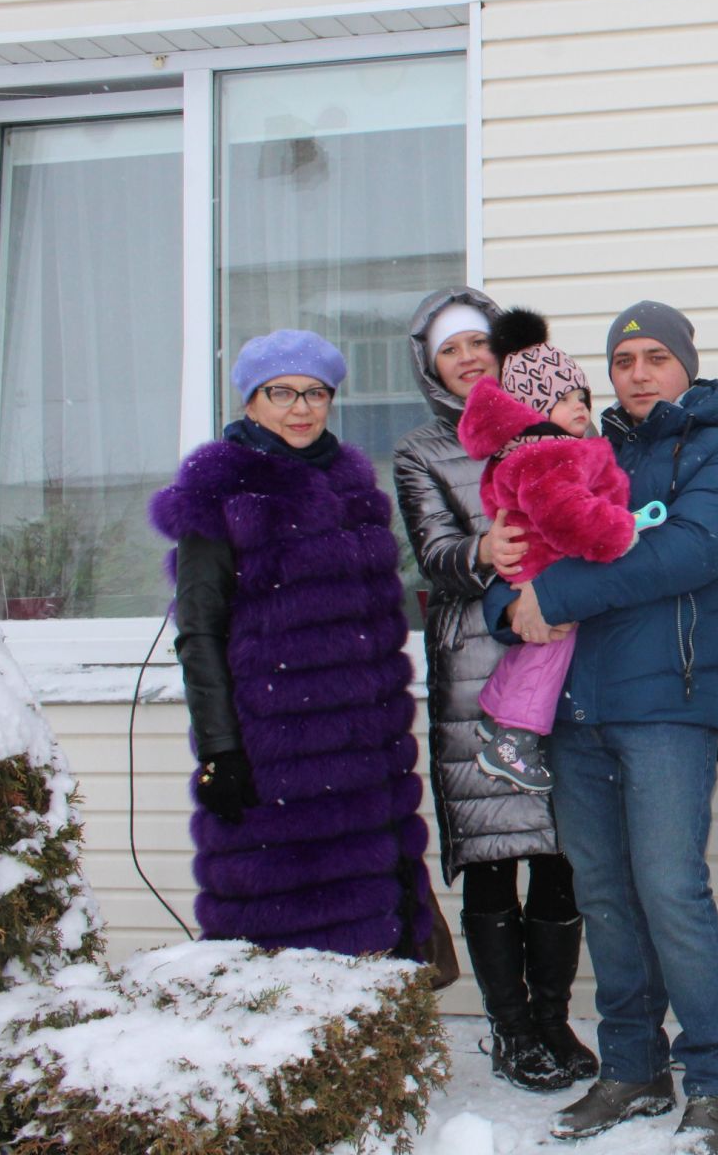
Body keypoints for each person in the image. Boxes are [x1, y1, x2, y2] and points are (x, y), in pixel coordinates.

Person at [487, 301, 718, 1154]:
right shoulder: (583, 451)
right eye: (622, 360)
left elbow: (686, 552)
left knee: (671, 890)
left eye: (654, 357)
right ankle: (633, 1068)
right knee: (604, 894)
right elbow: (527, 551)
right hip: (577, 708)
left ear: (687, 364)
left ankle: (714, 1080)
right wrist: (508, 600)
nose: (638, 372)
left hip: (669, 707)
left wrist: (553, 596)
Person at [151, 329, 435, 962]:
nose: (300, 408)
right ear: (250, 401)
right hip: (275, 758)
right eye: (281, 392)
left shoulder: (353, 484)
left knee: (371, 938)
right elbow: (199, 630)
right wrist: (221, 751)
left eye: (315, 393)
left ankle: (370, 1056)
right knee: (285, 940)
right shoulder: (219, 490)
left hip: (363, 762)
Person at [392, 288, 593, 1093]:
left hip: (556, 665)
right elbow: (432, 552)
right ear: (430, 366)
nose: (469, 358)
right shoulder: (418, 451)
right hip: (474, 673)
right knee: (491, 857)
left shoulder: (555, 424)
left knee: (559, 854)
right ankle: (510, 1032)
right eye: (450, 350)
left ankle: (552, 1019)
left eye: (478, 342)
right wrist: (485, 547)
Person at [456, 308, 663, 795]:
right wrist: (618, 532)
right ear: (532, 408)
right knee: (553, 644)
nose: (580, 409)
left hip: (534, 566)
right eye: (563, 399)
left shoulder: (530, 450)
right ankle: (515, 737)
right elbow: (568, 516)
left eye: (581, 397)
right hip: (547, 567)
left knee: (534, 645)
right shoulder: (550, 455)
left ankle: (497, 710)